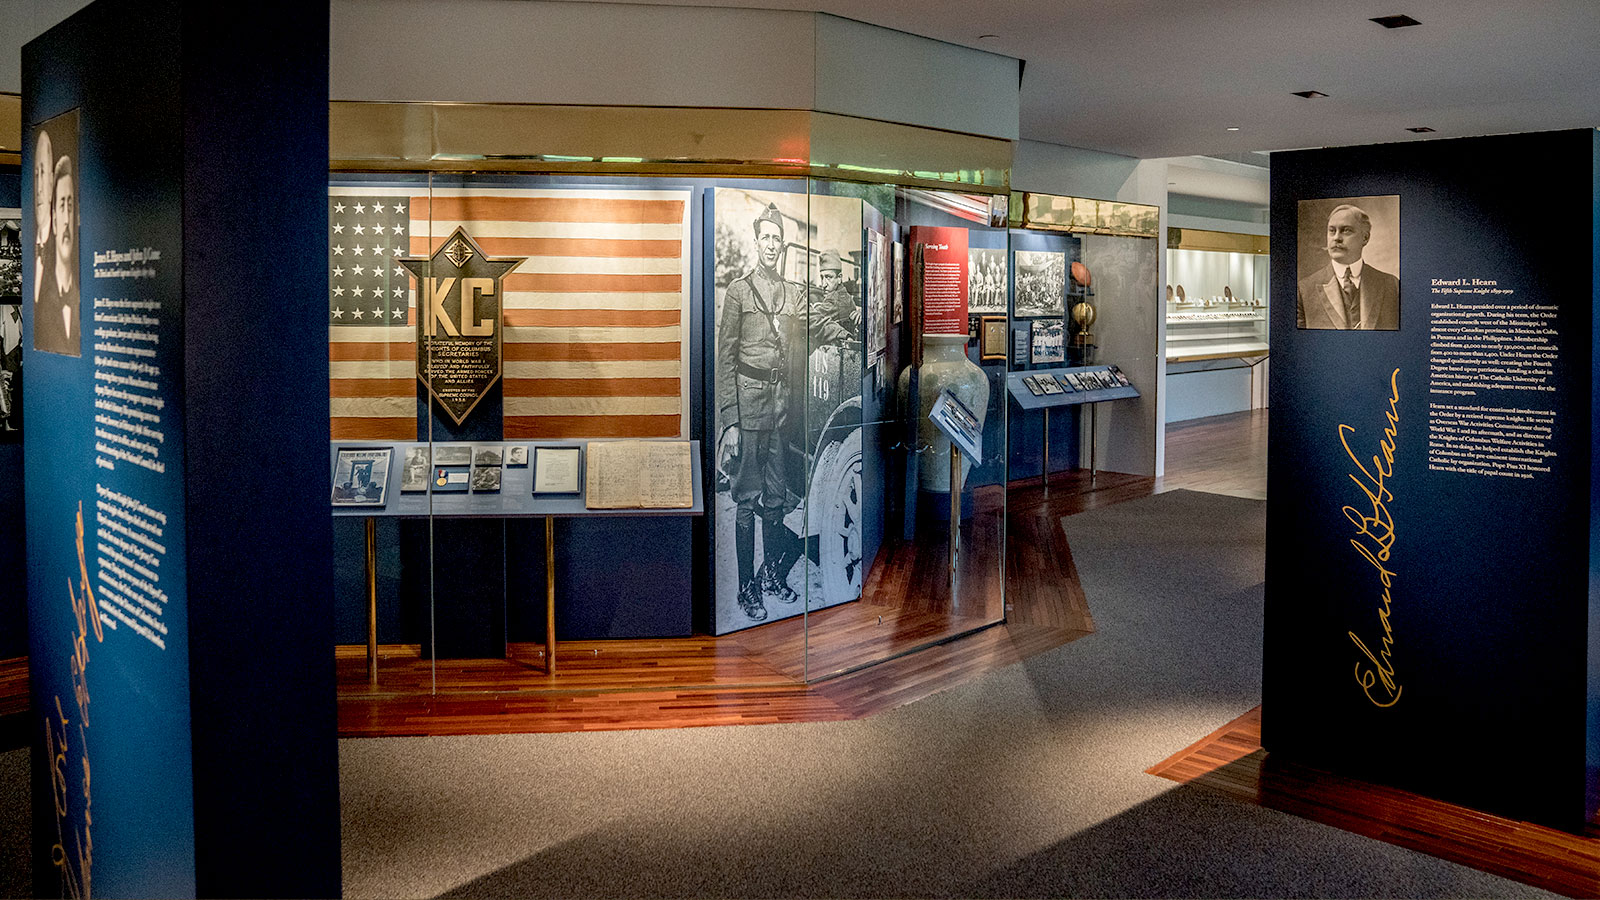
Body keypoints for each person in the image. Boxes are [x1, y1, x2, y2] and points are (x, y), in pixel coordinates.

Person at [717, 203, 848, 622]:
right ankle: (745, 588)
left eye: (777, 239)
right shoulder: (739, 291)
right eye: (766, 238)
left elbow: (818, 323)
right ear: (756, 243)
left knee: (775, 499)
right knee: (746, 499)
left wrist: (847, 330)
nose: (771, 245)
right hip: (748, 409)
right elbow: (725, 359)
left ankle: (772, 575)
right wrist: (731, 422)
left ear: (781, 245)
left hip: (779, 411)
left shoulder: (792, 292)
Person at [1297, 203, 1399, 330]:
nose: (1337, 238)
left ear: (1365, 238)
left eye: (1346, 230)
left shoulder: (1391, 285)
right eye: (1332, 231)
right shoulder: (1305, 289)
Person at [34, 154, 80, 355]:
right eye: (62, 205)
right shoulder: (43, 302)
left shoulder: (84, 298)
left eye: (70, 206)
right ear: (53, 219)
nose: (67, 221)